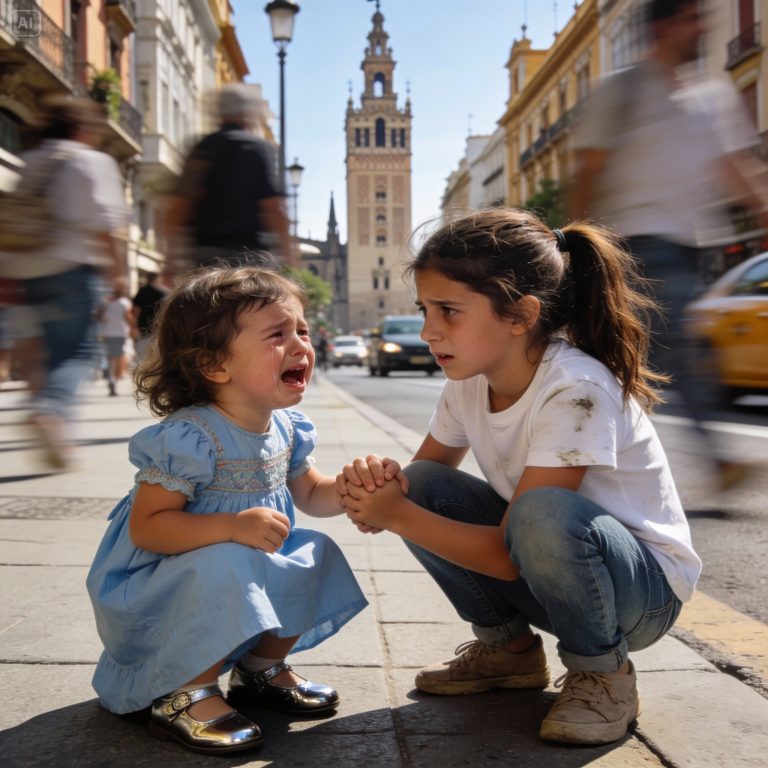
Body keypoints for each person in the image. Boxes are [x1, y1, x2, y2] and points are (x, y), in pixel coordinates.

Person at [337, 209, 702, 746]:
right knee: (426, 482)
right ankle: (508, 653)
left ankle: (603, 674)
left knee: (540, 512)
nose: (427, 330)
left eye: (448, 311)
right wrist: (378, 489)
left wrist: (397, 515)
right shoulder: (469, 378)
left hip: (639, 598)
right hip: (552, 571)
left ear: (520, 315)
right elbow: (417, 489)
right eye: (425, 309)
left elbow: (510, 548)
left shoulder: (575, 389)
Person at [86, 266, 379, 756]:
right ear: (214, 366)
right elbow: (148, 528)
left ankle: (260, 669)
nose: (300, 344)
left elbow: (312, 494)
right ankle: (185, 691)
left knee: (315, 552)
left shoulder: (286, 427)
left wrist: (354, 489)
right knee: (228, 561)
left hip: (235, 565)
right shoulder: (190, 438)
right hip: (158, 588)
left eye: (301, 330)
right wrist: (231, 526)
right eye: (277, 335)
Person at [569, 0, 768, 489]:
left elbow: (733, 166)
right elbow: (589, 169)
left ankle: (601, 459)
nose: (702, 27)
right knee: (662, 355)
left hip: (691, 247)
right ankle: (699, 461)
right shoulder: (621, 91)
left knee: (648, 359)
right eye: (692, 19)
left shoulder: (713, 97)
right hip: (632, 247)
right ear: (662, 27)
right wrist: (576, 245)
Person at [0, 95, 128, 468]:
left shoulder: (33, 160)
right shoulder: (91, 160)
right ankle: (50, 411)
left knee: (35, 349)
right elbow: (105, 225)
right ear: (83, 128)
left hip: (23, 271)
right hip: (72, 268)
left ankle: (51, 421)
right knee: (77, 351)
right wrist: (116, 271)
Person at [163, 84, 296, 274]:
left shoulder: (203, 148)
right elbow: (274, 208)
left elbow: (179, 208)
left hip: (205, 257)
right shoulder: (259, 149)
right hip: (250, 257)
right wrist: (287, 252)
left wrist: (170, 258)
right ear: (248, 114)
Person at [96, 279, 134, 396]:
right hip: (119, 334)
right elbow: (128, 318)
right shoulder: (124, 302)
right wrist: (133, 329)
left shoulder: (105, 302)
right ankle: (114, 380)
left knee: (109, 357)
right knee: (118, 358)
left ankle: (111, 379)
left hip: (106, 334)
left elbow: (98, 317)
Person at [130, 272, 167, 362]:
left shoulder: (142, 291)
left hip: (144, 326)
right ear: (158, 279)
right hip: (159, 326)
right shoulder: (163, 292)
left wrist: (133, 327)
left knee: (142, 354)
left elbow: (135, 311)